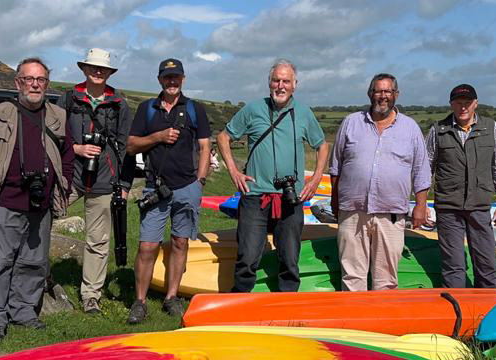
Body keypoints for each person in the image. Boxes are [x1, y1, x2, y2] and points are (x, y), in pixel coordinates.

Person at [0, 57, 74, 340]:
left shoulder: (58, 117)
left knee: (33, 262)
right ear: (18, 83)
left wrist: (64, 187)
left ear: (47, 85)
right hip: (5, 202)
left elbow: (68, 155)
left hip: (41, 206)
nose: (35, 85)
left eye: (41, 80)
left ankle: (24, 311)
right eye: (29, 79)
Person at [216, 59, 329, 292]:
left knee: (289, 259)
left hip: (291, 197)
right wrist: (234, 171)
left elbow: (322, 145)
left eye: (286, 81)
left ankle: (284, 308)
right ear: (269, 83)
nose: (280, 85)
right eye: (276, 80)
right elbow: (223, 137)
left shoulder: (304, 113)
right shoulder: (253, 109)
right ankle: (240, 303)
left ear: (294, 85)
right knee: (247, 256)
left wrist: (316, 177)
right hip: (255, 195)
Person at [124, 58, 211, 323]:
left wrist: (200, 182)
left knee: (180, 242)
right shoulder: (146, 109)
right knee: (147, 246)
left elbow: (205, 147)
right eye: (167, 77)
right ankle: (139, 302)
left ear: (182, 79)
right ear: (160, 80)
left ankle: (171, 298)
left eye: (176, 77)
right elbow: (131, 146)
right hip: (154, 187)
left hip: (187, 187)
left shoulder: (195, 109)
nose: (172, 82)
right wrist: (158, 137)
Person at [329, 73, 430, 291]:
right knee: (352, 276)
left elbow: (421, 170)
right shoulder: (351, 122)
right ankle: (352, 320)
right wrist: (334, 200)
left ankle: (380, 323)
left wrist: (421, 206)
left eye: (387, 91)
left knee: (386, 279)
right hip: (353, 211)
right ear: (369, 93)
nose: (382, 96)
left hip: (391, 214)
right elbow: (336, 165)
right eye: (378, 91)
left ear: (396, 95)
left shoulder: (410, 128)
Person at [60, 48, 131, 315]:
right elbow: (54, 134)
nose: (98, 72)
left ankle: (91, 295)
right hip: (70, 175)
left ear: (109, 73)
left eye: (103, 69)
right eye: (93, 68)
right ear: (84, 69)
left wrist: (123, 185)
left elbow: (125, 148)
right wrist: (76, 149)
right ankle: (35, 278)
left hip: (104, 178)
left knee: (98, 241)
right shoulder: (68, 98)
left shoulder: (119, 104)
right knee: (39, 222)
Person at [426, 83, 496, 289]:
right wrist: (422, 203)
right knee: (453, 265)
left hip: (479, 205)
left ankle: (488, 305)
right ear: (451, 105)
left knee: (486, 261)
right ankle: (458, 307)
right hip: (448, 207)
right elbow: (425, 167)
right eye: (458, 103)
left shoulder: (491, 127)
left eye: (467, 103)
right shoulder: (438, 130)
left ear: (475, 104)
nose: (463, 107)